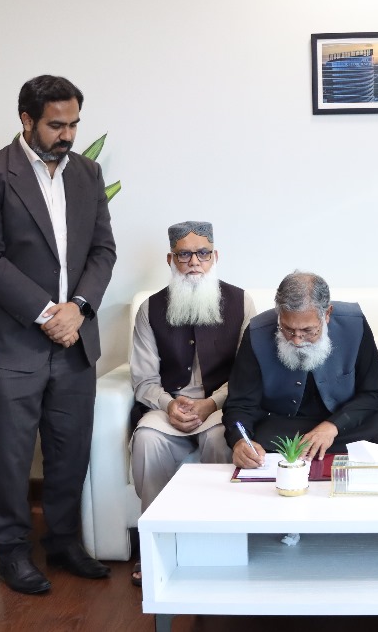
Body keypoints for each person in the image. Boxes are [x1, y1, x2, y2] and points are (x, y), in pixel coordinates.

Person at [0, 75, 117, 595]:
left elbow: (103, 251)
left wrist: (78, 309)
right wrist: (49, 313)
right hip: (15, 342)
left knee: (70, 450)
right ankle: (11, 551)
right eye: (56, 125)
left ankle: (64, 542)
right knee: (9, 453)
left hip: (76, 340)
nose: (67, 134)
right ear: (26, 120)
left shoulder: (88, 173)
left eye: (74, 124)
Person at [128, 220, 254, 585]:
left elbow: (248, 372)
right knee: (147, 440)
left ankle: (219, 542)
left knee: (220, 439)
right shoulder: (150, 308)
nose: (194, 262)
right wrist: (168, 404)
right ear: (171, 259)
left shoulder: (241, 302)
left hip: (220, 404)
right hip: (168, 405)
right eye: (184, 255)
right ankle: (157, 546)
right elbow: (144, 379)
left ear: (215, 256)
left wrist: (212, 403)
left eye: (202, 253)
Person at [224, 271, 378, 467]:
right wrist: (239, 440)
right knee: (263, 444)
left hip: (347, 422)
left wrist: (333, 426)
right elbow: (240, 403)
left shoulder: (354, 323)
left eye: (307, 331)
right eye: (288, 329)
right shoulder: (257, 332)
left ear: (327, 314)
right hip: (286, 426)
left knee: (376, 434)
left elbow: (374, 392)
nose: (296, 340)